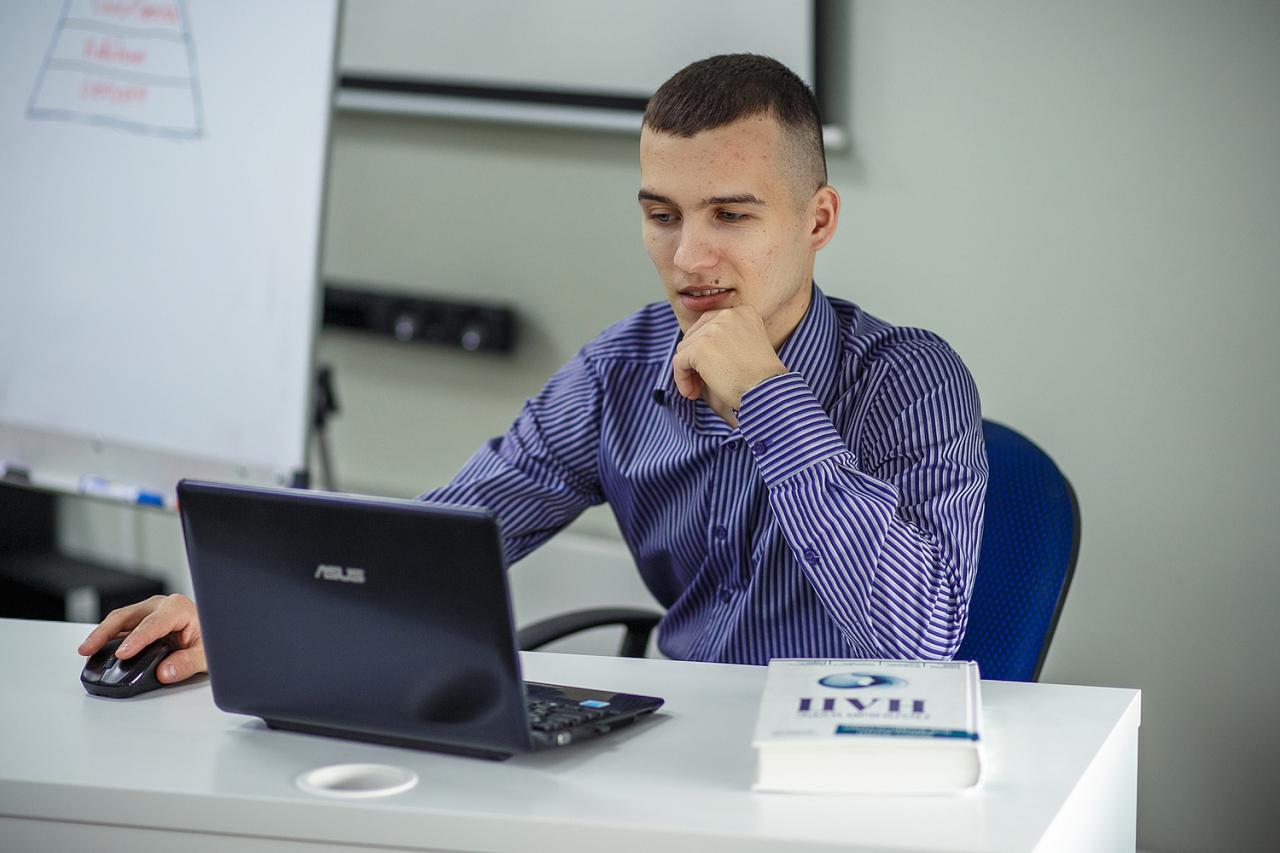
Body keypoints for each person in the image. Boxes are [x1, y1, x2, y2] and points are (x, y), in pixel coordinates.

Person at [79, 54, 987, 680]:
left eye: (732, 216)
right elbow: (435, 544)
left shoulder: (911, 383)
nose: (688, 259)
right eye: (663, 215)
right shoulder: (618, 374)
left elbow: (918, 637)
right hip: (685, 759)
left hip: (851, 772)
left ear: (817, 221)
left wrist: (770, 400)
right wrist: (245, 613)